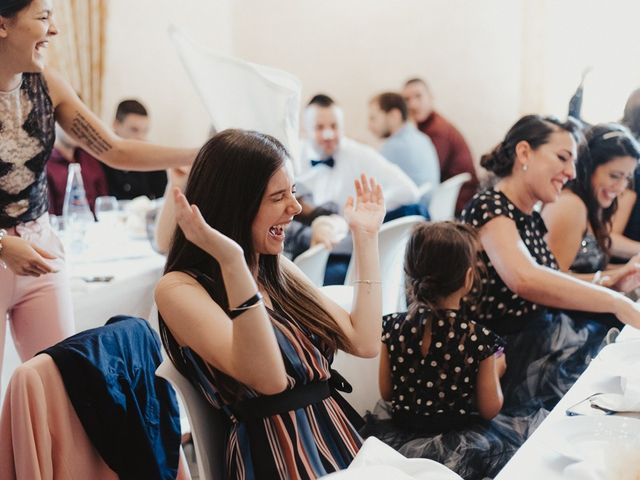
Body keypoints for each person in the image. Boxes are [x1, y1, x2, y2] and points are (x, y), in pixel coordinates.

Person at [155, 129, 386, 479]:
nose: (294, 208)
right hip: (279, 459)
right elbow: (269, 380)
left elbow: (365, 341)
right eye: (278, 197)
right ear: (236, 205)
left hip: (339, 444)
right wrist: (232, 261)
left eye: (292, 193)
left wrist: (366, 238)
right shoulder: (178, 289)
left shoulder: (276, 269)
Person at [0, 0, 195, 379]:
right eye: (43, 18)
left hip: (40, 250)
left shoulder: (49, 86)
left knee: (65, 381)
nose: (54, 30)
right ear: (3, 25)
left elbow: (115, 148)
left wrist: (199, 154)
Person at [461, 115, 640, 413]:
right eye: (562, 158)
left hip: (536, 343)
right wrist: (615, 301)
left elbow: (551, 277)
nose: (571, 173)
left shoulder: (525, 213)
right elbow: (525, 279)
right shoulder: (489, 206)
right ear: (524, 153)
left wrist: (610, 281)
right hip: (504, 361)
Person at [361, 222, 538, 480]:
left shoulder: (391, 327)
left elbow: (387, 393)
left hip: (399, 439)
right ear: (468, 279)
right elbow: (490, 409)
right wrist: (495, 370)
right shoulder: (478, 339)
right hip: (461, 445)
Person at [541, 123, 640, 294]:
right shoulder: (570, 205)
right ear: (588, 167)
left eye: (627, 178)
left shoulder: (594, 205)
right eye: (615, 176)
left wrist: (627, 273)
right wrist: (612, 277)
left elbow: (587, 268)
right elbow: (551, 282)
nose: (620, 187)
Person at [298, 94, 420, 219]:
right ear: (305, 129)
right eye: (319, 127)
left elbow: (409, 190)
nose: (328, 135)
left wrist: (363, 211)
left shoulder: (359, 154)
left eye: (334, 126)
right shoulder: (292, 155)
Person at [402, 78, 479, 214]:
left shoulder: (437, 131)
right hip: (447, 199)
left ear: (431, 97)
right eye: (407, 100)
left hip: (457, 201)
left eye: (418, 96)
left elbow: (428, 173)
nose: (412, 104)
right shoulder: (424, 127)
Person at [367, 92, 440, 190]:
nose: (369, 126)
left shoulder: (394, 146)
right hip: (430, 203)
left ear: (394, 115)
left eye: (373, 118)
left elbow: (369, 182)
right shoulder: (423, 138)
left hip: (413, 204)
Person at [101, 99, 168, 200]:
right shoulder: (98, 156)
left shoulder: (153, 159)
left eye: (145, 131)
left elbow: (162, 200)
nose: (141, 137)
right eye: (134, 130)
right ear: (116, 124)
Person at [46, 124, 109, 215]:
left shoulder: (90, 157)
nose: (76, 132)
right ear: (54, 123)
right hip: (66, 225)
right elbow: (49, 215)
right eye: (68, 125)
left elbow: (104, 199)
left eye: (80, 128)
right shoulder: (45, 164)